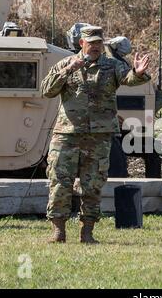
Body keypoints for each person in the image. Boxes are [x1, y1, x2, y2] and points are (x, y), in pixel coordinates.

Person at [41, 26, 151, 244]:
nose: (95, 47)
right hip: (67, 134)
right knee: (60, 182)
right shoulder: (66, 64)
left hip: (98, 136)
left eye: (99, 43)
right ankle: (58, 231)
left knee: (93, 184)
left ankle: (87, 232)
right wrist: (68, 70)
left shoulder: (111, 66)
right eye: (91, 43)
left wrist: (138, 74)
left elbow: (128, 78)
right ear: (81, 43)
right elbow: (47, 90)